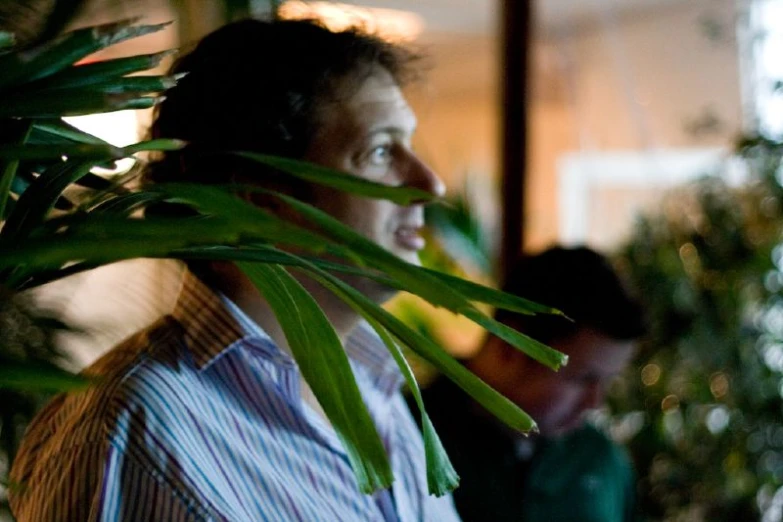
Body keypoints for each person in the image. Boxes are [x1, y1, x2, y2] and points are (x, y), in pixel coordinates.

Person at [9, 18, 461, 522]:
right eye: (379, 152)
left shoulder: (376, 392)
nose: (431, 184)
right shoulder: (135, 431)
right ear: (257, 198)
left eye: (409, 146)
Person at [417, 246, 646, 522]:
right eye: (583, 379)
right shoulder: (409, 436)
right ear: (511, 346)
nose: (594, 402)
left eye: (608, 382)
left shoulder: (601, 461)